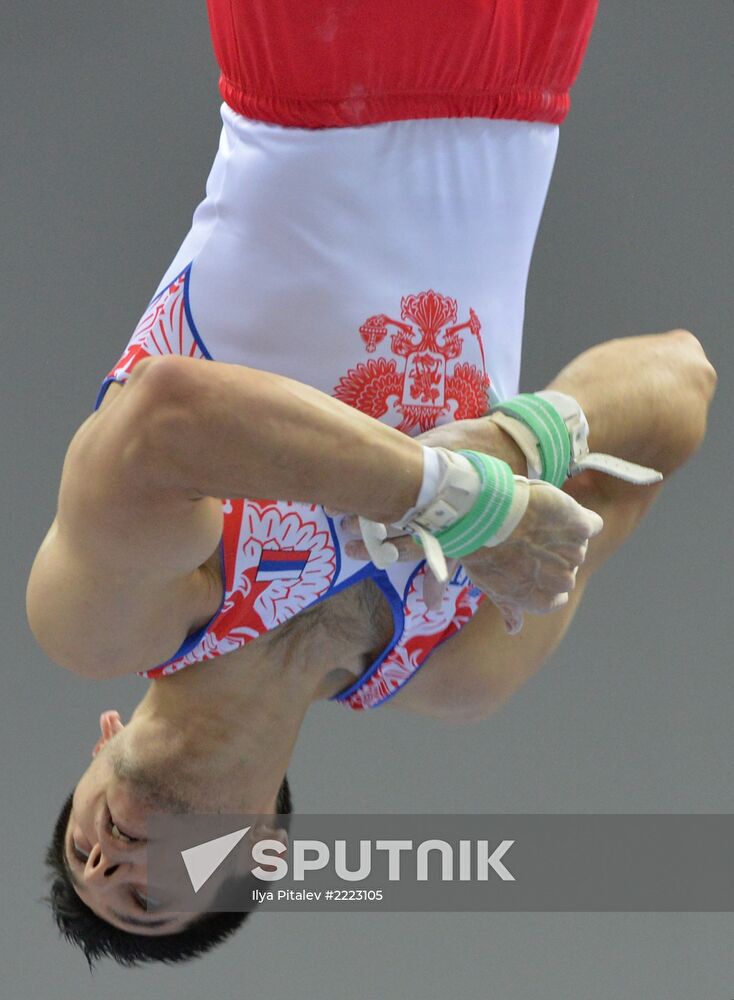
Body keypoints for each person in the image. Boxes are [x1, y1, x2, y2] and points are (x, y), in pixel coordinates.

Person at [23, 0, 718, 972]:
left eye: (77, 850)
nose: (104, 859)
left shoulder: (113, 621)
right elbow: (676, 382)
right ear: (261, 850)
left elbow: (167, 415)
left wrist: (461, 497)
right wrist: (517, 449)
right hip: (525, 90)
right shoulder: (453, 666)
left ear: (100, 743)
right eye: (144, 898)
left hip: (315, 75)